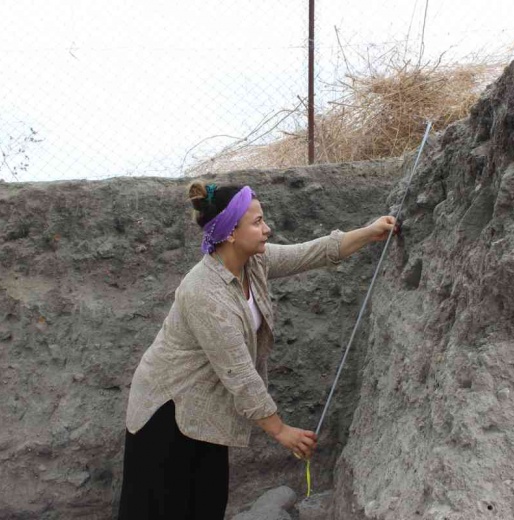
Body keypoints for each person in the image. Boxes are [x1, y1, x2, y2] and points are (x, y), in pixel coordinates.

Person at [118, 181, 396, 519]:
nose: (267, 229)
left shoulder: (253, 263)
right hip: (167, 411)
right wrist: (281, 431)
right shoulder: (203, 292)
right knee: (163, 507)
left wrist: (369, 232)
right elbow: (239, 373)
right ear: (230, 233)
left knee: (207, 502)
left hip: (206, 410)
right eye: (257, 222)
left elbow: (312, 252)